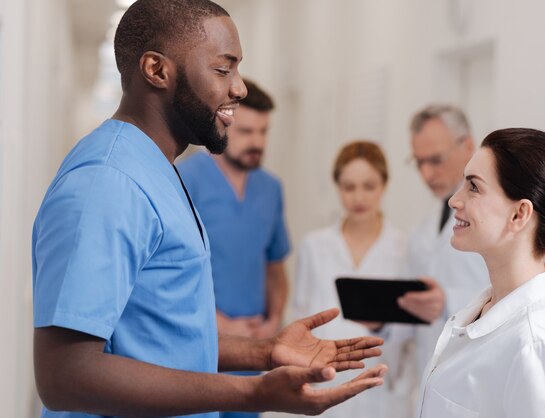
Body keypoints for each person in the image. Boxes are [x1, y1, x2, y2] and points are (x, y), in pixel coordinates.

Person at [31, 1, 386, 418]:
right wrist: (252, 395)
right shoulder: (107, 184)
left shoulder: (154, 168)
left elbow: (162, 338)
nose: (240, 88)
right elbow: (65, 376)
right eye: (223, 69)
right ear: (157, 70)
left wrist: (265, 352)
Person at [417, 128, 545, 417]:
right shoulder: (483, 310)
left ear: (519, 214)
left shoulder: (539, 345)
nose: (454, 200)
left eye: (473, 187)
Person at [176, 78, 289, 418]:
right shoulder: (185, 178)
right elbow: (171, 271)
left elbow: (275, 266)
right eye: (247, 132)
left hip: (252, 348)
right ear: (223, 123)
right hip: (198, 340)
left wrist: (273, 321)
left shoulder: (271, 189)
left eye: (264, 132)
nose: (257, 142)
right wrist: (217, 322)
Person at [292, 141, 415, 418]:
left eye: (368, 186)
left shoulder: (405, 249)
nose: (359, 197)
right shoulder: (314, 246)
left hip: (382, 391)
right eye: (349, 187)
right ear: (338, 187)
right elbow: (301, 316)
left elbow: (410, 331)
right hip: (324, 386)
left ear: (384, 185)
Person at [394, 105, 489, 377]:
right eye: (419, 162)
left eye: (435, 160)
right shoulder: (424, 228)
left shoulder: (496, 218)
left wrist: (447, 301)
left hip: (475, 370)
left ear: (468, 146)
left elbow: (513, 293)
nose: (426, 174)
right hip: (432, 371)